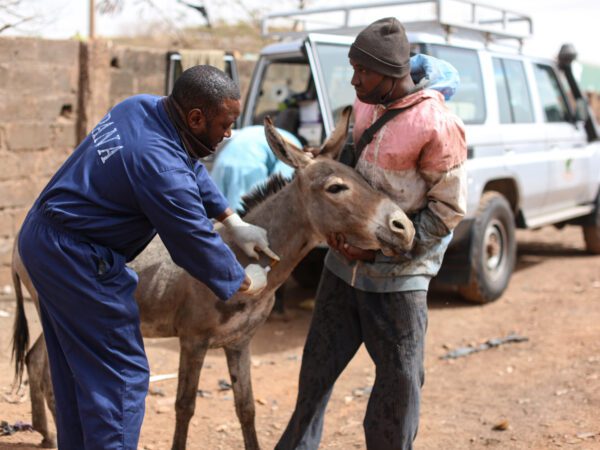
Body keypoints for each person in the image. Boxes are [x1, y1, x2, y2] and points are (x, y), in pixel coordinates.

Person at [17, 65, 277, 450]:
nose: (229, 133)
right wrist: (244, 281)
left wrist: (232, 219)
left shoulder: (141, 108)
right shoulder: (158, 163)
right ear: (195, 117)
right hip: (76, 259)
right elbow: (193, 241)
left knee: (77, 374)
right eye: (225, 124)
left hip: (42, 237)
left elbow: (189, 163)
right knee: (121, 377)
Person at [276, 18, 467, 450]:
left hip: (399, 281)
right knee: (314, 379)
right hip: (342, 268)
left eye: (363, 71)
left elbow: (448, 210)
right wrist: (339, 236)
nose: (354, 79)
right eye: (352, 67)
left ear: (392, 73)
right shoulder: (364, 104)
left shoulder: (438, 125)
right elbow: (345, 164)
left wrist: (383, 254)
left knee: (397, 392)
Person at [210, 124, 299, 212]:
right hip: (248, 165)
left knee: (214, 209)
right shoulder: (296, 148)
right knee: (245, 215)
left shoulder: (267, 131)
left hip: (222, 160)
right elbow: (281, 183)